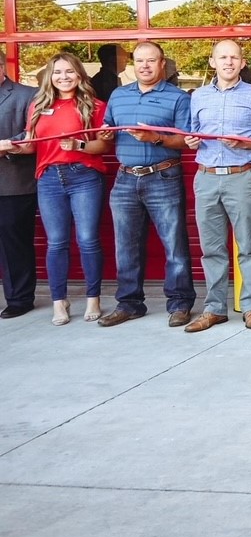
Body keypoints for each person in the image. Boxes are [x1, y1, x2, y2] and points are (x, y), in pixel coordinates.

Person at [0, 53, 110, 325]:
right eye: (58, 72)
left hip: (84, 176)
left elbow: (104, 147)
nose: (64, 77)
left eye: (69, 72)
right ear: (50, 75)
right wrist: (11, 146)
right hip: (49, 178)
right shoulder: (38, 104)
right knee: (57, 243)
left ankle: (93, 298)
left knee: (87, 240)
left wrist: (79, 146)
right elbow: (32, 144)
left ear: (79, 74)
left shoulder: (94, 105)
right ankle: (59, 302)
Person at [181, 41, 251, 333]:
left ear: (242, 62)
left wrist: (246, 143)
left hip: (242, 176)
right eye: (222, 57)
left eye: (233, 57)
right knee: (212, 248)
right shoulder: (197, 96)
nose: (228, 62)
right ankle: (214, 309)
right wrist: (191, 140)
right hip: (207, 176)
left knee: (249, 246)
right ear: (212, 62)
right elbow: (191, 131)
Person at [97, 42, 197, 328]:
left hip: (163, 176)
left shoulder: (178, 98)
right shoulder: (118, 95)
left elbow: (185, 140)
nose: (144, 66)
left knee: (174, 245)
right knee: (125, 246)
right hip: (125, 178)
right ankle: (129, 304)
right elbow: (107, 132)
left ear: (161, 63)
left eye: (151, 61)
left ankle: (180, 304)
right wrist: (105, 135)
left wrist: (154, 137)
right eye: (139, 61)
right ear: (132, 64)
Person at [0, 48, 38, 319]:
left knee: (15, 244)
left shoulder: (27, 95)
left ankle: (19, 299)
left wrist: (8, 145)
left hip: (13, 183)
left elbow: (33, 133)